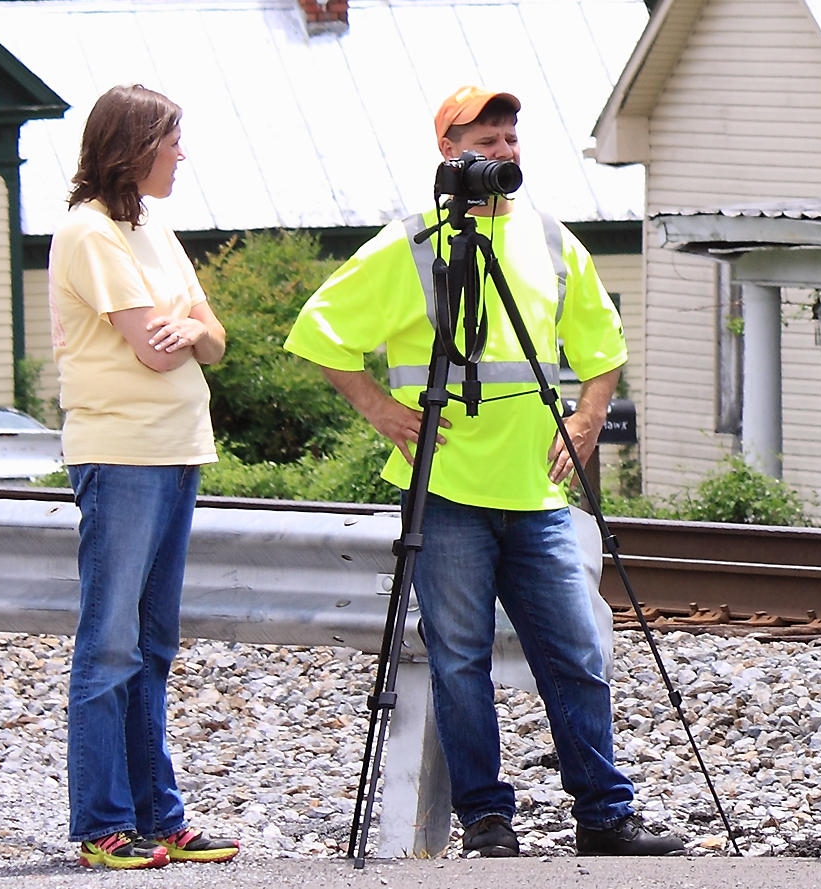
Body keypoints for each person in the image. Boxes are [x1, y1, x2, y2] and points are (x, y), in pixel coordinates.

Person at [284, 86, 683, 859]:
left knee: (575, 653)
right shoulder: (413, 244)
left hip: (535, 494)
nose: (505, 152)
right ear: (450, 151)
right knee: (461, 662)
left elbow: (602, 348)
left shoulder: (553, 240)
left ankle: (604, 813)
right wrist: (375, 407)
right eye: (488, 140)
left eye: (512, 138)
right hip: (446, 492)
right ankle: (487, 820)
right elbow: (318, 330)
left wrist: (589, 414)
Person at [51, 84, 238, 869]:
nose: (182, 155)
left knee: (153, 642)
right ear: (133, 148)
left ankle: (157, 815)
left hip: (177, 447)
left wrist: (193, 325)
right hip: (122, 451)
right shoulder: (92, 234)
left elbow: (213, 339)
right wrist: (184, 333)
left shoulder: (151, 226)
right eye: (172, 141)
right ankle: (102, 824)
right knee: (110, 645)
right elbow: (156, 351)